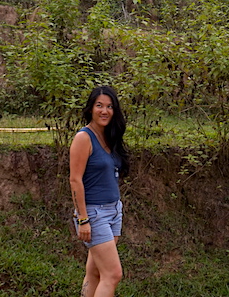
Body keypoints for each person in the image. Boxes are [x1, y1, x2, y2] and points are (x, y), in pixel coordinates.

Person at [69, 85, 131, 297]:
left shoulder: (109, 137)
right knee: (113, 274)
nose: (104, 111)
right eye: (99, 106)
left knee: (95, 272)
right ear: (90, 109)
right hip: (95, 214)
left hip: (114, 211)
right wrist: (83, 219)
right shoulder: (83, 138)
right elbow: (75, 180)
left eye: (109, 107)